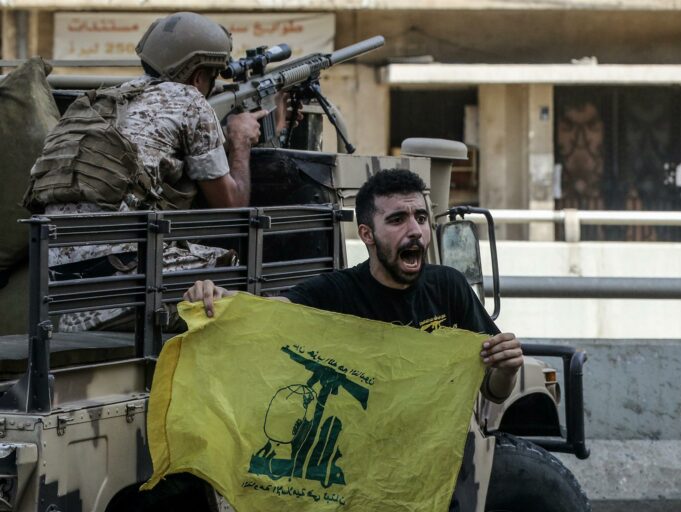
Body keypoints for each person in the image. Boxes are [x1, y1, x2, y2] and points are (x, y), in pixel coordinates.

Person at [183, 168, 523, 511]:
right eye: (397, 219)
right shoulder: (336, 292)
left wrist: (507, 368)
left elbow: (493, 389)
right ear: (367, 234)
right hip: (355, 483)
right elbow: (268, 313)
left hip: (429, 483)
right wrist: (218, 299)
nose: (415, 230)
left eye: (421, 218)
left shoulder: (449, 287)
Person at [24, 12, 291, 331]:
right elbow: (232, 208)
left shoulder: (106, 99)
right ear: (198, 77)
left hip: (61, 280)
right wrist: (240, 140)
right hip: (126, 274)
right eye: (212, 77)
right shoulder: (191, 100)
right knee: (242, 274)